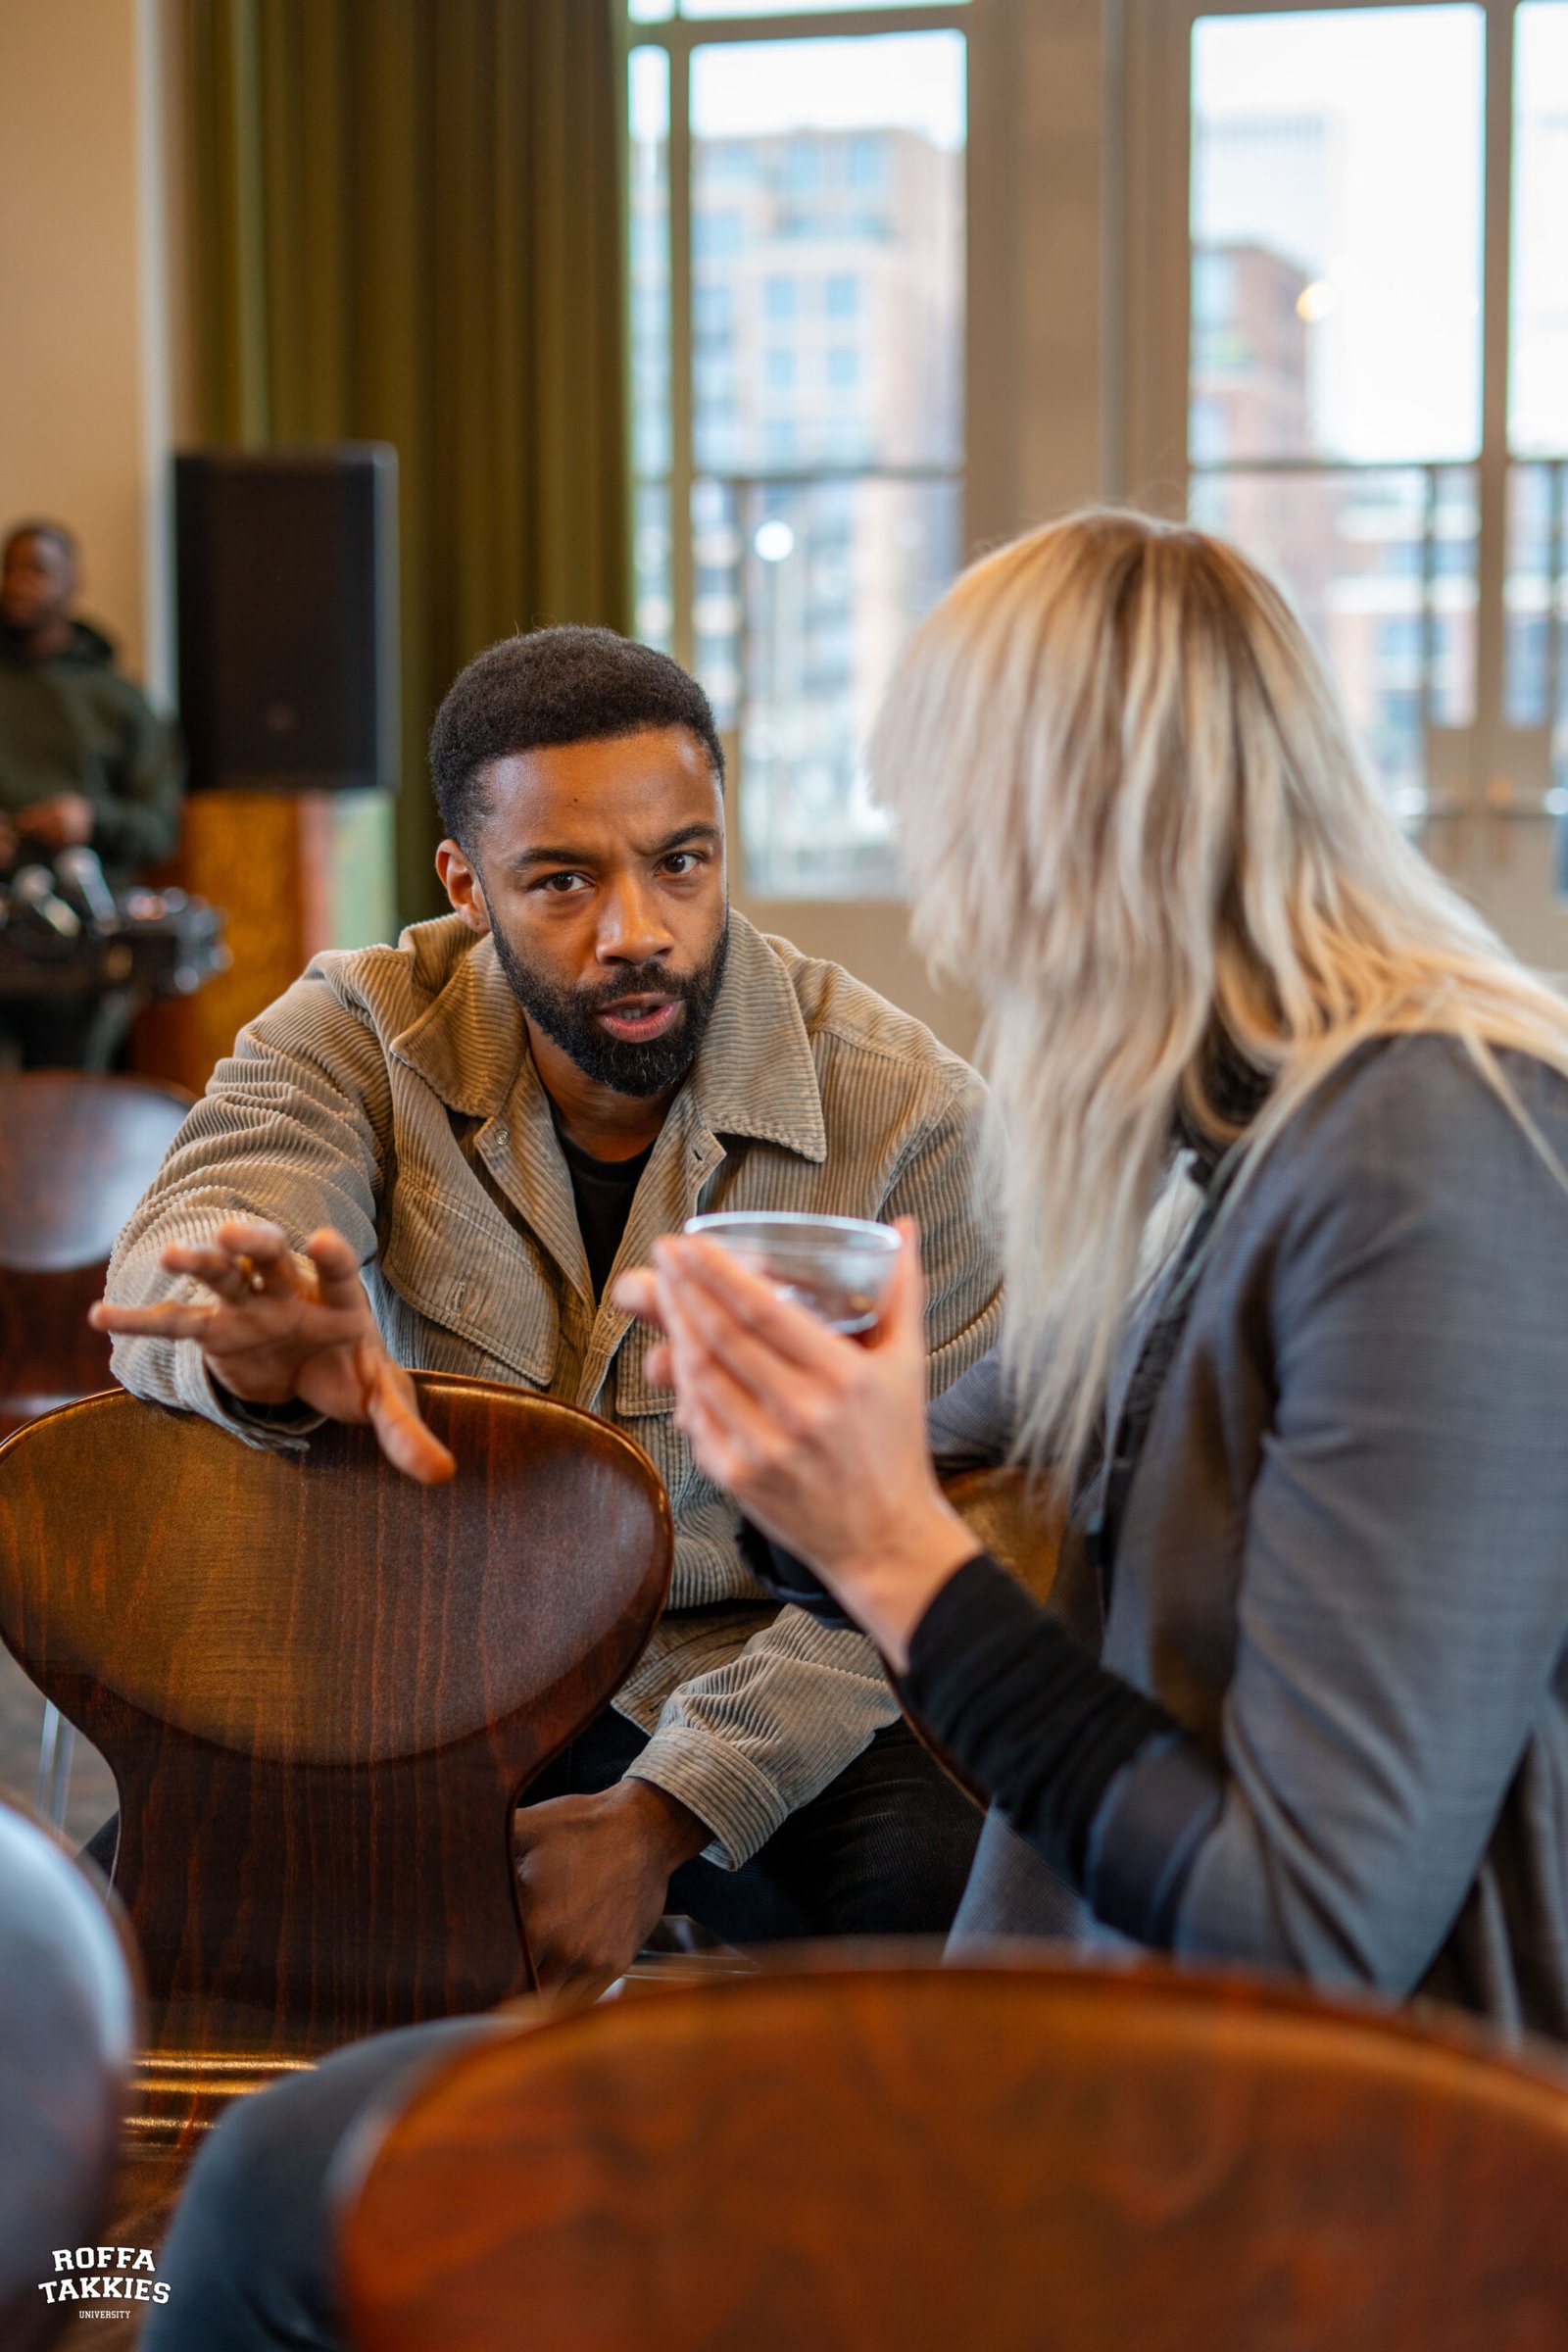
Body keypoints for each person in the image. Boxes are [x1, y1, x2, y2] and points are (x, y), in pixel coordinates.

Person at [639, 508, 1568, 2043]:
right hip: (1120, 2054)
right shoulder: (1234, 1153)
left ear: (1054, 844)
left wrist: (884, 1546)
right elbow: (919, 1475)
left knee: (330, 2163)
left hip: (1357, 2138)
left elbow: (1309, 1928)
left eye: (943, 841)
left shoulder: (1430, 1160)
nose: (943, 922)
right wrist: (790, 1446)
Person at [97, 624, 999, 1993]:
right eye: (563, 881)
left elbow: (951, 1532)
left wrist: (665, 1813)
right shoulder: (357, 1030)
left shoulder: (913, 1119)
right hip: (429, 1659)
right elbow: (200, 1231)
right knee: (107, 1943)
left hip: (759, 1665)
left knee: (962, 1908)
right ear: (467, 885)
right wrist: (247, 1344)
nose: (638, 931)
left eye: (680, 863)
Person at [0, 518, 185, 1065]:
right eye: (10, 569)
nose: (18, 583)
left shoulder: (118, 702)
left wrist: (92, 820)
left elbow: (159, 826)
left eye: (37, 570)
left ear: (72, 583)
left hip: (85, 952)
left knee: (66, 1097)